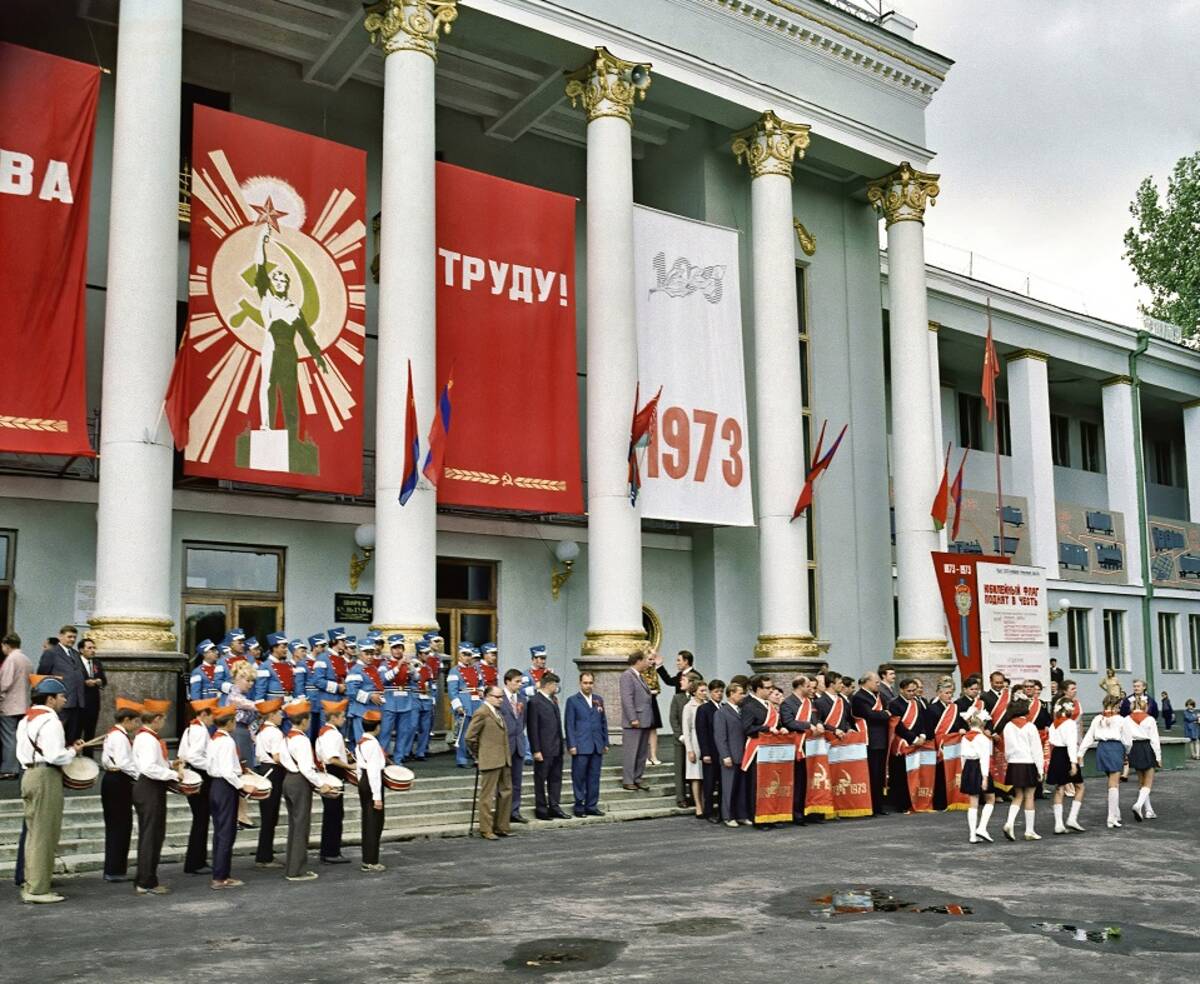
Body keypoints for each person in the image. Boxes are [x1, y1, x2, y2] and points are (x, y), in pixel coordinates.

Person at [17, 676, 85, 903]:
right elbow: (55, 755)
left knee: (34, 834)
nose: (65, 700)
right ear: (50, 698)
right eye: (62, 696)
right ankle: (38, 890)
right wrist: (73, 752)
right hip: (45, 776)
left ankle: (32, 883)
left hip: (29, 774)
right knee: (44, 835)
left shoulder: (26, 719)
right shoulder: (51, 721)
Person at [278, 699, 334, 882]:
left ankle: (293, 866)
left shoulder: (286, 737)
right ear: (303, 720)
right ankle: (296, 870)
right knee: (301, 826)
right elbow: (306, 768)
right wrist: (321, 784)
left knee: (295, 826)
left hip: (288, 779)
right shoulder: (301, 740)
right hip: (300, 781)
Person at [132, 698, 182, 895]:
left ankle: (145, 878)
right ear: (157, 718)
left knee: (152, 834)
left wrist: (170, 765)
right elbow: (149, 768)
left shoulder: (147, 737)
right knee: (151, 835)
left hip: (150, 786)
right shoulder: (147, 739)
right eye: (163, 719)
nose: (163, 723)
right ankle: (146, 881)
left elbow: (153, 764)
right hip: (149, 786)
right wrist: (173, 774)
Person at [100, 697, 141, 882]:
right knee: (121, 825)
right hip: (119, 780)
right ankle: (115, 869)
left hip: (111, 778)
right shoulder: (120, 737)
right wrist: (141, 775)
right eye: (135, 721)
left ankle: (113, 867)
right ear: (126, 720)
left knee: (115, 824)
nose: (136, 725)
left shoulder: (111, 734)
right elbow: (125, 763)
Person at [465, 685, 513, 841]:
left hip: (503, 758)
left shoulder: (497, 712)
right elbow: (470, 737)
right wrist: (479, 753)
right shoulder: (482, 712)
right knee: (487, 796)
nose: (500, 700)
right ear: (487, 696)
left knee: (505, 792)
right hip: (490, 759)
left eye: (501, 697)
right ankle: (486, 828)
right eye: (497, 697)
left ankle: (502, 826)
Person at [206, 704, 245, 889]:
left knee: (220, 831)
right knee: (226, 832)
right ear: (230, 722)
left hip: (215, 785)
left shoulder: (214, 739)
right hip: (226, 786)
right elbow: (228, 771)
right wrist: (243, 785)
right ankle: (221, 877)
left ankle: (219, 872)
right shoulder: (227, 741)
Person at [1079, 694, 1133, 828]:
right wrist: (1127, 752)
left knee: (1111, 782)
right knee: (1114, 784)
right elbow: (1128, 741)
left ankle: (1116, 813)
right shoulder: (1121, 720)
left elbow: (1089, 737)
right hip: (1115, 748)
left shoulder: (1097, 718)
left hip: (1102, 748)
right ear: (1115, 706)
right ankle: (1111, 817)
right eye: (1119, 706)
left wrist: (1080, 752)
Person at [178, 698, 216, 875]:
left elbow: (182, 754)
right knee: (201, 819)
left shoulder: (190, 729)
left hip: (192, 773)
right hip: (200, 774)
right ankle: (196, 862)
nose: (213, 718)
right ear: (203, 714)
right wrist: (211, 765)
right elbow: (194, 756)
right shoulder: (200, 730)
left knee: (199, 819)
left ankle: (196, 860)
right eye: (211, 715)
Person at [564, 672, 608, 818]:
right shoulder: (573, 701)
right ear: (580, 683)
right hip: (581, 745)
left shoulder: (598, 699)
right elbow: (569, 725)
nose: (588, 686)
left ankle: (591, 805)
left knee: (594, 776)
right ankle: (579, 805)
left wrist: (605, 742)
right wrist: (571, 744)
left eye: (590, 683)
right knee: (579, 777)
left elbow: (603, 722)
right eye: (585, 683)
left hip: (596, 744)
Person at [314, 699, 353, 865]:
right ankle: (331, 851)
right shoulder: (334, 734)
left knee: (332, 813)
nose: (344, 719)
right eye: (342, 716)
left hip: (326, 772)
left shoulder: (324, 732)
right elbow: (332, 758)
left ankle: (328, 850)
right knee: (335, 814)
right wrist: (350, 765)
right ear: (334, 717)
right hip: (333, 773)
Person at [1000, 697, 1044, 841]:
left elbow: (1006, 750)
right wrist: (1040, 769)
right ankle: (1029, 831)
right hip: (1029, 763)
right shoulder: (1030, 726)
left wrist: (1010, 760)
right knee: (1030, 796)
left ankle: (1009, 822)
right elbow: (1036, 749)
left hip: (1014, 763)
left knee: (1018, 795)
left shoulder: (1007, 726)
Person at [222, 662, 258, 830]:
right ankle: (237, 814)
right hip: (236, 733)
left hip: (244, 734)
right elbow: (251, 706)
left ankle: (242, 813)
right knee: (238, 772)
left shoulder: (243, 696)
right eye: (248, 680)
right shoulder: (234, 695)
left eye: (252, 681)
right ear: (239, 678)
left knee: (245, 772)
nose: (250, 684)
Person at [527, 672, 568, 820]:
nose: (556, 688)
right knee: (540, 780)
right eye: (555, 685)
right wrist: (536, 750)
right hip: (543, 749)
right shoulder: (535, 702)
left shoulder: (553, 700)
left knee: (556, 779)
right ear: (549, 685)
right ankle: (541, 809)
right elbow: (533, 728)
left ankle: (554, 806)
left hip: (556, 747)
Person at [36, 625, 87, 743]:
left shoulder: (75, 654)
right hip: (60, 701)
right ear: (61, 636)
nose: (72, 640)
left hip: (77, 702)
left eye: (74, 637)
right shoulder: (51, 653)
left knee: (72, 736)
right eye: (69, 637)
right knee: (57, 736)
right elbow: (42, 675)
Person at [850, 671, 891, 816]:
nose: (878, 685)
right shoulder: (859, 697)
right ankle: (871, 806)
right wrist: (885, 715)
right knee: (872, 774)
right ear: (867, 682)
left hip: (881, 739)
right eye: (876, 682)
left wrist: (885, 714)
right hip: (870, 740)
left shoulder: (879, 696)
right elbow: (870, 715)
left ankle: (879, 806)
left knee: (879, 775)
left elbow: (887, 710)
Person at [253, 698, 286, 867]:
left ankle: (264, 854)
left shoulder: (262, 730)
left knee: (268, 815)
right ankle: (265, 857)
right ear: (272, 715)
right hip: (273, 771)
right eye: (279, 713)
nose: (282, 716)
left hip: (264, 769)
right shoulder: (275, 732)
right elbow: (277, 757)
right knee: (270, 816)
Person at [780, 675, 817, 825]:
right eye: (808, 686)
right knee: (798, 781)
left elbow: (816, 719)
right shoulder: (787, 703)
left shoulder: (810, 702)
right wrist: (807, 725)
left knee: (809, 781)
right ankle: (796, 813)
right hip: (797, 747)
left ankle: (808, 810)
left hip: (812, 747)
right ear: (800, 686)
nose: (810, 688)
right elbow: (789, 722)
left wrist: (818, 724)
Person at [1046, 696, 1085, 834]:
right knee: (1079, 786)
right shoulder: (1070, 724)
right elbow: (1071, 745)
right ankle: (1072, 818)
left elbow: (1051, 740)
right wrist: (1073, 763)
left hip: (1056, 754)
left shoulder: (1053, 724)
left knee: (1059, 788)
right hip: (1066, 756)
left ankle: (1059, 824)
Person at [713, 682, 749, 827]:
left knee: (741, 787)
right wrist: (725, 755)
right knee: (729, 788)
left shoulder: (742, 710)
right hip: (730, 756)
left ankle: (741, 815)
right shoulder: (721, 712)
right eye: (740, 693)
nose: (742, 696)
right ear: (731, 694)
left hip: (743, 755)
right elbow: (720, 736)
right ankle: (728, 816)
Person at [355, 708, 387, 870]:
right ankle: (371, 860)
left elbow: (360, 768)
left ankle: (368, 858)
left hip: (363, 780)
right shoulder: (373, 744)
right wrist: (377, 797)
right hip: (372, 781)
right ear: (377, 727)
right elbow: (374, 771)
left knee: (367, 821)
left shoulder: (361, 742)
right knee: (374, 822)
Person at [619, 651, 654, 791]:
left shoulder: (640, 676)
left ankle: (637, 777)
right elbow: (627, 699)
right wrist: (633, 717)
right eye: (646, 660)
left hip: (644, 720)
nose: (647, 662)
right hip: (635, 721)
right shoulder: (627, 676)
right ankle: (628, 780)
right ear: (638, 660)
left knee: (641, 752)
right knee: (631, 751)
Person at [497, 669, 529, 823]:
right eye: (517, 681)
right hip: (504, 745)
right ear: (507, 681)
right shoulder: (499, 698)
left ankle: (514, 811)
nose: (519, 684)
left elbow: (523, 721)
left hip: (518, 743)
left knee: (517, 781)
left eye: (520, 681)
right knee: (503, 782)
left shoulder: (522, 699)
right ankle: (502, 813)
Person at [380, 634, 417, 764]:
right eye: (395, 648)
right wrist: (397, 667)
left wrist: (411, 668)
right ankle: (382, 759)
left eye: (400, 647)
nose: (398, 651)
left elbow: (417, 680)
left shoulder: (408, 663)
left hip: (405, 701)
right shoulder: (385, 664)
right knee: (385, 732)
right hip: (390, 701)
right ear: (390, 649)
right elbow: (382, 679)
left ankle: (398, 759)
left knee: (403, 733)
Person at [959, 710, 994, 844]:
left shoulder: (964, 737)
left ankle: (972, 835)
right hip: (979, 768)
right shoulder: (983, 739)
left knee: (973, 801)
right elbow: (984, 759)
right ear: (982, 724)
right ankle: (982, 827)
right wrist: (985, 777)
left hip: (968, 767)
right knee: (990, 798)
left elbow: (962, 757)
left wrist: (963, 773)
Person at [0, 632, 32, 779]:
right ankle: (19, 766)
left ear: (7, 645)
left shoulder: (11, 659)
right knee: (19, 737)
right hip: (24, 704)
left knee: (8, 737)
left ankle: (9, 769)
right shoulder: (26, 659)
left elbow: (4, 683)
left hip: (9, 704)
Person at [1126, 696, 1162, 821]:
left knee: (1141, 781)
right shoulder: (1150, 719)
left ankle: (1149, 810)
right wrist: (1158, 756)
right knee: (1149, 781)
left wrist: (1127, 753)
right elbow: (1155, 739)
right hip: (1146, 747)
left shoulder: (1126, 719)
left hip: (1134, 749)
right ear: (1145, 706)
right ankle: (1139, 805)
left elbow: (1125, 739)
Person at [447, 643, 482, 767]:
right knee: (463, 733)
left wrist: (482, 692)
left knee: (477, 732)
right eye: (464, 654)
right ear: (459, 655)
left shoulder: (476, 669)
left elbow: (480, 684)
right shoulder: (454, 671)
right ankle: (461, 759)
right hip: (464, 702)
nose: (467, 657)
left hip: (477, 702)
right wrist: (458, 706)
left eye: (469, 655)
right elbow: (452, 691)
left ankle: (477, 757)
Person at [695, 679, 724, 823]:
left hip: (722, 752)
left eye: (721, 691)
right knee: (709, 783)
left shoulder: (724, 707)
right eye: (716, 692)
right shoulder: (704, 709)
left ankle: (720, 809)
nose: (719, 694)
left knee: (722, 782)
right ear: (710, 692)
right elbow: (702, 732)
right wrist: (705, 752)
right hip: (711, 751)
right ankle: (709, 810)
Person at [679, 678, 707, 818]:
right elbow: (686, 729)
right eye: (701, 691)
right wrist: (689, 749)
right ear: (694, 692)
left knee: (705, 775)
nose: (704, 693)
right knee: (695, 776)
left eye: (705, 690)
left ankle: (705, 802)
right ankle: (698, 805)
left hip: (706, 741)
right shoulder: (689, 707)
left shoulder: (707, 704)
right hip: (694, 741)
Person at [668, 672, 694, 808]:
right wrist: (680, 735)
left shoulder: (698, 699)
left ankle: (695, 796)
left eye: (684, 680)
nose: (680, 683)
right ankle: (681, 797)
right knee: (680, 769)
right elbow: (673, 719)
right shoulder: (677, 698)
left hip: (695, 740)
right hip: (681, 740)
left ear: (691, 683)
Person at [642, 648, 665, 765]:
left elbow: (658, 688)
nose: (652, 662)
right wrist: (650, 692)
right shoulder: (639, 672)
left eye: (653, 659)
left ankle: (654, 756)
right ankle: (644, 757)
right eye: (649, 659)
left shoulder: (653, 672)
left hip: (653, 701)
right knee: (644, 730)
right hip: (643, 703)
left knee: (653, 730)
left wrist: (653, 692)